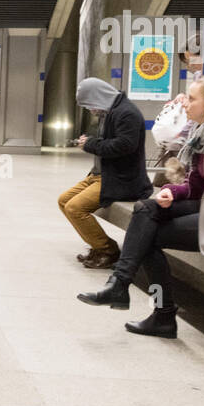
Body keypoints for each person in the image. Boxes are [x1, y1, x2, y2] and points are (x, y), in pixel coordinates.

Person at [78, 75, 204, 338]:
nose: (185, 103)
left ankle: (157, 312)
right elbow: (196, 184)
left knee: (146, 238)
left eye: (192, 99)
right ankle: (120, 283)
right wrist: (172, 192)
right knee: (146, 209)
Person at [59, 77, 152, 268]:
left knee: (75, 208)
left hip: (121, 179)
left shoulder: (126, 113)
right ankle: (98, 246)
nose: (91, 110)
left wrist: (91, 144)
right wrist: (91, 141)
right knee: (63, 201)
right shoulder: (110, 112)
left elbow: (125, 145)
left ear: (99, 97)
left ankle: (107, 250)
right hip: (101, 175)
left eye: (90, 105)